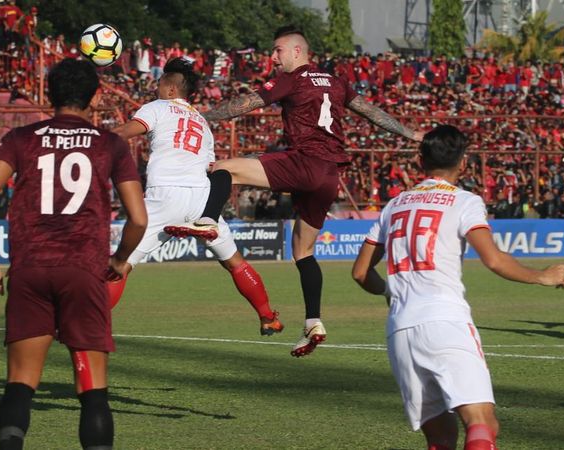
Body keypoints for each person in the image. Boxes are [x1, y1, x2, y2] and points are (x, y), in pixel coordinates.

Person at [165, 25, 423, 358]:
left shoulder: (294, 78)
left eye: (278, 50)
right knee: (302, 251)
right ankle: (313, 322)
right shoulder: (336, 81)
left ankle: (208, 220)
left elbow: (247, 104)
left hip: (304, 162)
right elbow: (372, 113)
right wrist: (410, 134)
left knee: (223, 168)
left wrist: (201, 116)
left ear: (297, 52)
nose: (274, 57)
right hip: (330, 174)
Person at [351, 125, 564, 450]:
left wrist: (389, 292)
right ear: (464, 162)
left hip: (400, 329)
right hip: (446, 320)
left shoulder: (394, 205)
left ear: (419, 160)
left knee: (440, 439)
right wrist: (543, 276)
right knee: (482, 424)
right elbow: (494, 260)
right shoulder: (465, 201)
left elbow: (360, 273)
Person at [0, 59, 147, 450]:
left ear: (48, 95)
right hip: (83, 270)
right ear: (95, 96)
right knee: (92, 391)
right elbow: (137, 218)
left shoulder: (21, 138)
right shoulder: (110, 143)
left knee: (20, 385)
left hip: (31, 268)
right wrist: (120, 260)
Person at [110, 57, 283, 335]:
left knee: (121, 265)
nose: (156, 89)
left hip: (165, 195)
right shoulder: (202, 122)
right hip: (202, 199)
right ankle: (267, 316)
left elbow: (123, 133)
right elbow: (209, 166)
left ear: (170, 91)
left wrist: (93, 141)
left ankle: (84, 323)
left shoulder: (157, 107)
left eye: (159, 84)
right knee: (235, 263)